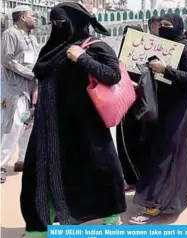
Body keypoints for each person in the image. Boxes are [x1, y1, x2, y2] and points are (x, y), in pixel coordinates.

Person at [20, 3, 126, 236]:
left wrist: (82, 58)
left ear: (76, 23)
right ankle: (38, 226)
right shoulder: (50, 49)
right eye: (54, 23)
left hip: (83, 126)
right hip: (48, 125)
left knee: (98, 170)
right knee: (37, 174)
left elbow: (112, 75)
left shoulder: (94, 46)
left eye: (62, 23)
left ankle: (111, 215)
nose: (57, 28)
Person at [130, 13, 187, 224]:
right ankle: (181, 194)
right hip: (165, 104)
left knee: (168, 150)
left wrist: (166, 69)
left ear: (178, 26)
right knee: (171, 149)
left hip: (181, 105)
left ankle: (156, 204)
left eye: (167, 24)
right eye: (160, 25)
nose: (162, 27)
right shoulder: (161, 48)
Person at [1, 6, 39, 183]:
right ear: (23, 17)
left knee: (28, 124)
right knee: (14, 124)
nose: (35, 18)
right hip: (16, 87)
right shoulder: (10, 33)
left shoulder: (31, 37)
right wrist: (28, 73)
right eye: (32, 15)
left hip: (32, 87)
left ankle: (22, 160)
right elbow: (7, 59)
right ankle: (1, 164)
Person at [116, 25, 144, 192]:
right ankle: (131, 177)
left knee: (141, 141)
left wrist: (141, 85)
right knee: (125, 140)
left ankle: (141, 178)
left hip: (143, 104)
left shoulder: (147, 55)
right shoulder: (123, 55)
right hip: (125, 104)